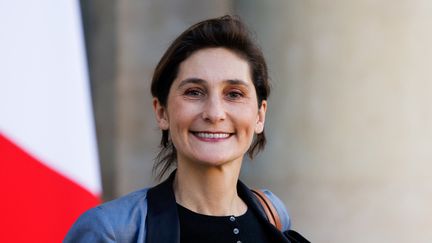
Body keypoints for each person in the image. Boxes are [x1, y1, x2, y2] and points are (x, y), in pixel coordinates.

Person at [64, 15, 309, 243]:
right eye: (194, 92)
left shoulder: (273, 215)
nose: (214, 113)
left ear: (260, 115)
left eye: (234, 94)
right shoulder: (110, 231)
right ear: (162, 112)